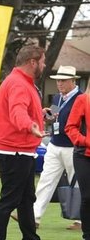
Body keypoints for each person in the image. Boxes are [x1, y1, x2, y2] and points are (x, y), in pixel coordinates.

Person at [0, 44, 59, 240]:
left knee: (26, 199)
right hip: (13, 151)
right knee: (10, 198)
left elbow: (20, 110)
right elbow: (17, 112)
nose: (44, 65)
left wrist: (39, 114)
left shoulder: (20, 82)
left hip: (18, 150)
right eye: (43, 61)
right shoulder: (19, 84)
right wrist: (30, 126)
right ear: (32, 62)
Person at [32, 66, 81, 230]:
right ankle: (34, 216)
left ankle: (81, 220)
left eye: (63, 80)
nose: (59, 83)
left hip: (73, 147)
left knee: (78, 182)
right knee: (46, 179)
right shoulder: (58, 99)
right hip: (55, 144)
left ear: (73, 81)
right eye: (58, 80)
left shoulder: (81, 99)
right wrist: (45, 114)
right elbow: (54, 117)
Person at [65, 71, 90, 240]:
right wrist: (85, 141)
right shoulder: (83, 100)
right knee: (87, 197)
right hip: (84, 155)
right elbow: (70, 127)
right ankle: (87, 239)